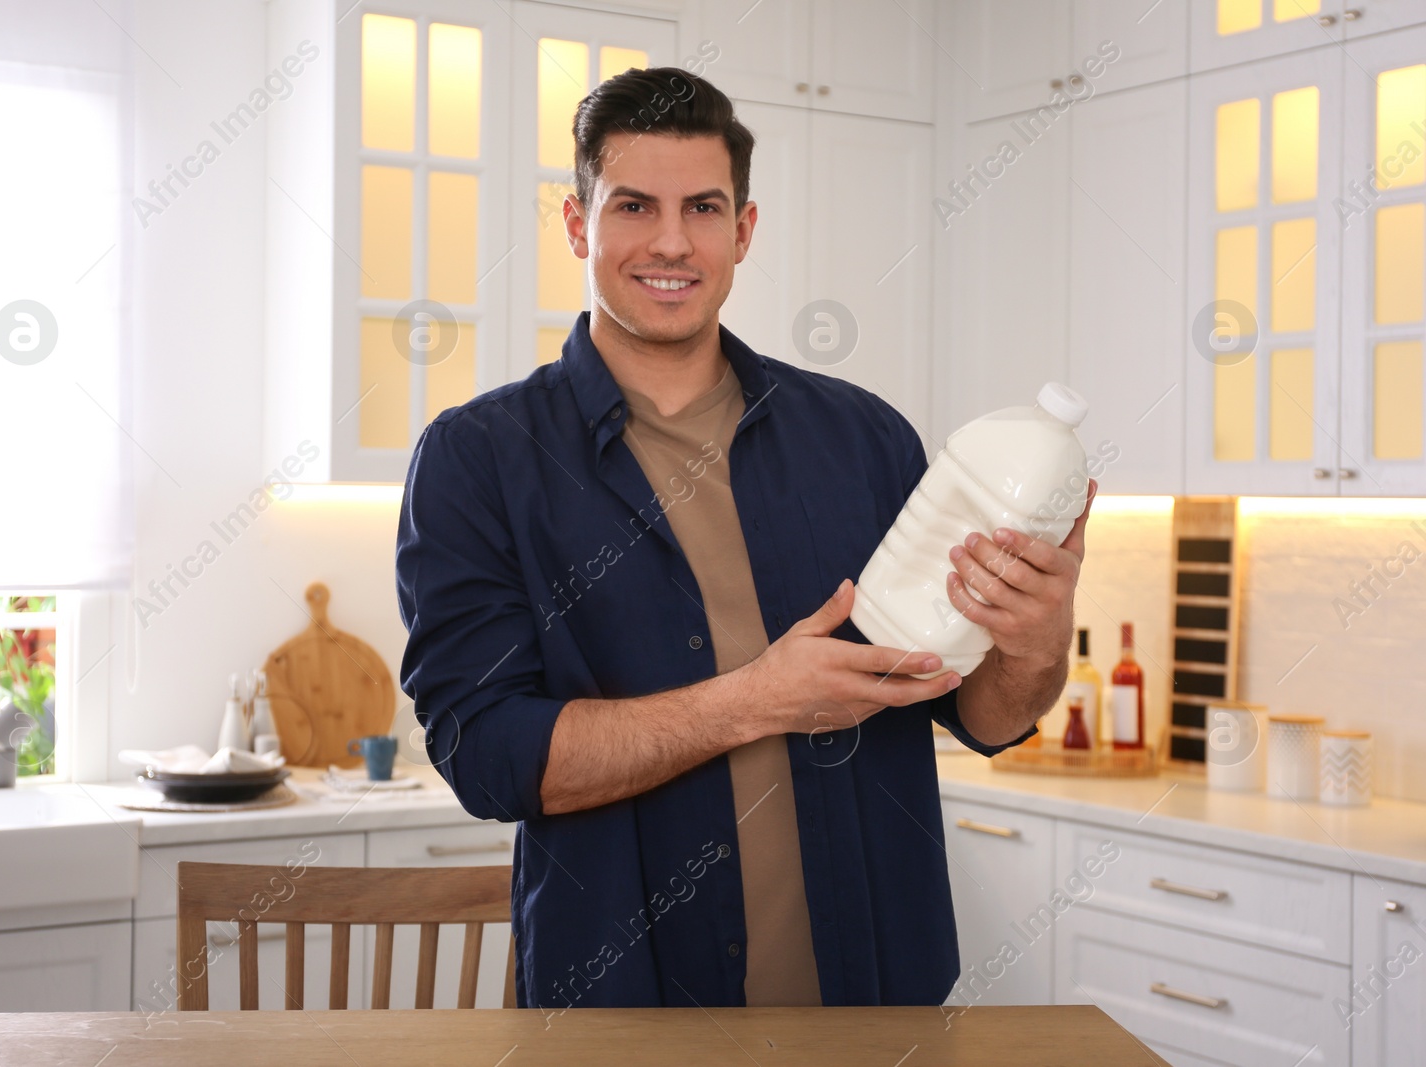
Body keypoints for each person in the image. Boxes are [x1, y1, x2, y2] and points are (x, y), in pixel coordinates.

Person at [395, 67, 1093, 1012]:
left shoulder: (865, 439)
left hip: (874, 1005)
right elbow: (489, 754)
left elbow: (985, 713)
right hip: (619, 1017)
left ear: (744, 231)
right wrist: (751, 702)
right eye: (634, 205)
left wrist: (1039, 634)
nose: (672, 242)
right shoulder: (478, 460)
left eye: (704, 208)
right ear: (576, 223)